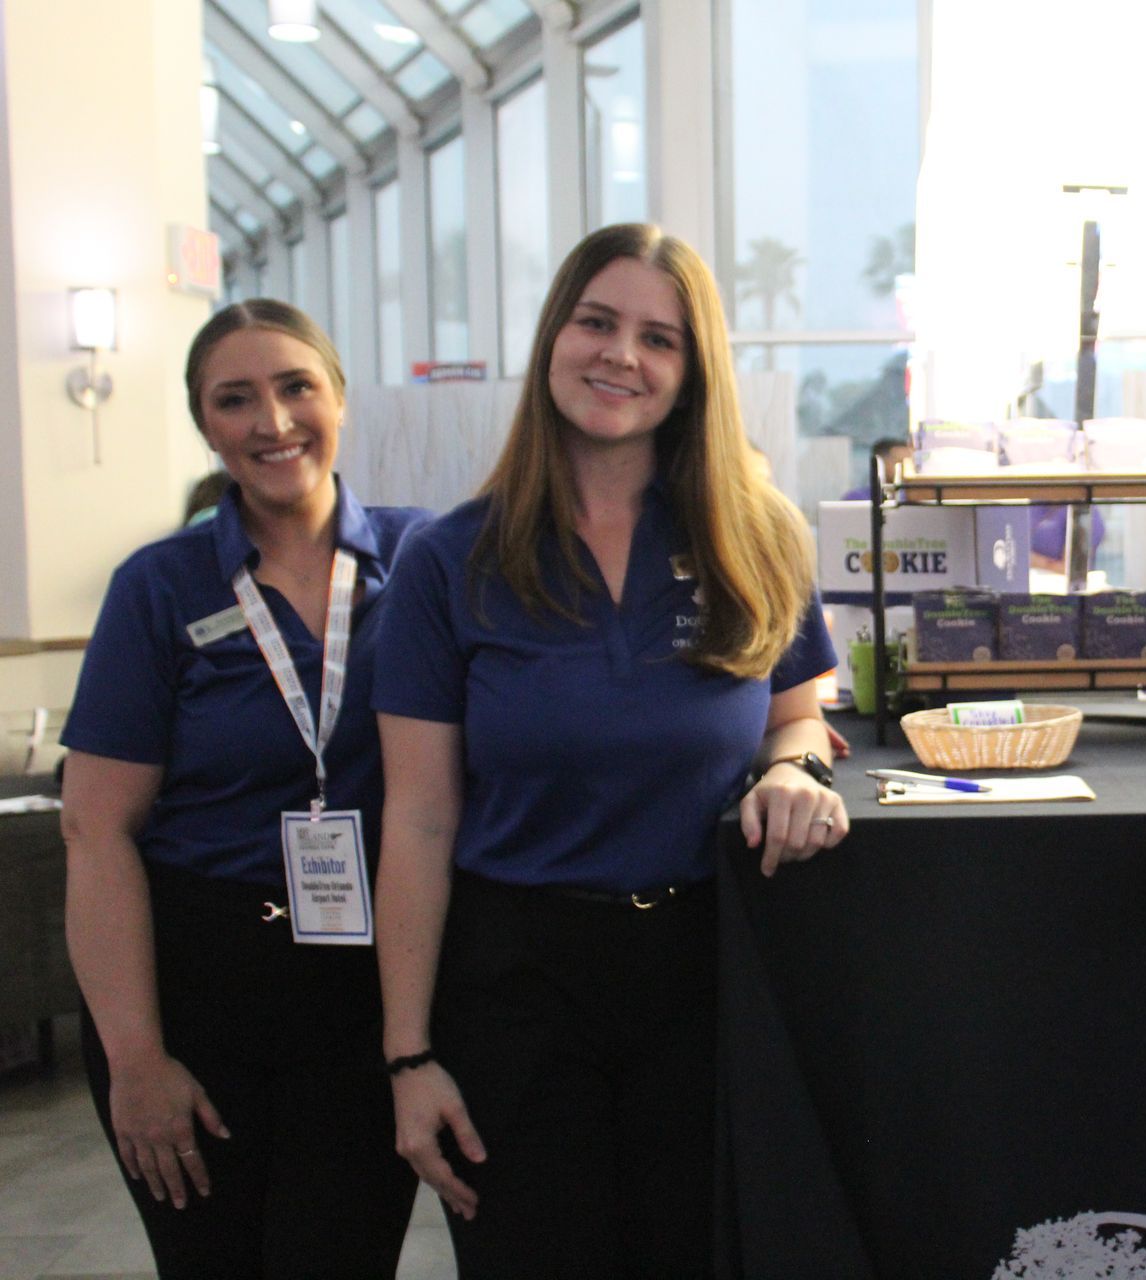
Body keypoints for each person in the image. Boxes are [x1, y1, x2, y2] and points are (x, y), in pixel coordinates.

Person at [373, 222, 844, 1277]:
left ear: (693, 372)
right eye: (595, 321)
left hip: (701, 974)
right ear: (553, 339)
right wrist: (408, 1052)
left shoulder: (754, 537)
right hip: (513, 984)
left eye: (657, 337)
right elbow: (415, 817)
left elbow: (798, 708)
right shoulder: (451, 559)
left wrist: (791, 765)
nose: (620, 354)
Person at [60, 299, 425, 1279]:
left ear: (340, 398)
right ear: (205, 424)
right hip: (194, 988)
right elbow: (95, 830)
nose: (272, 421)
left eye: (296, 386)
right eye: (235, 399)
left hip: (362, 990)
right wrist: (134, 1057)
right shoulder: (161, 586)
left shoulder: (423, 560)